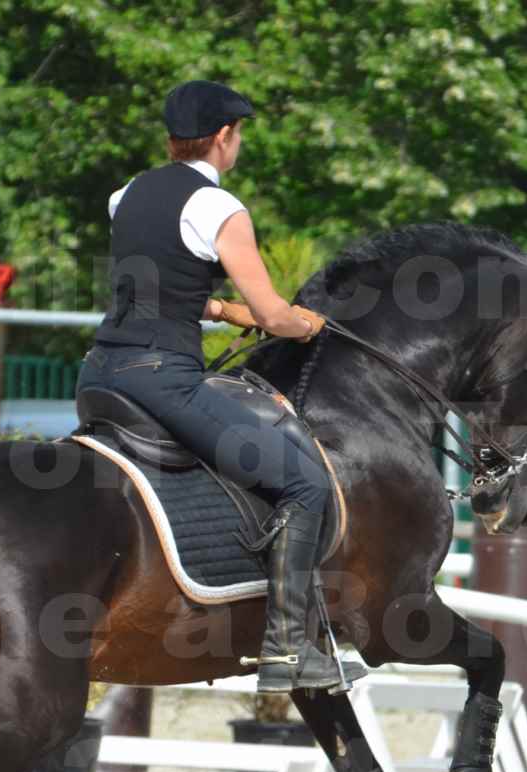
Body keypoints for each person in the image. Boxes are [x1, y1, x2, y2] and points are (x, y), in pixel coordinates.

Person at [76, 80, 366, 693]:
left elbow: (161, 288)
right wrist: (304, 323)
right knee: (304, 483)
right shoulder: (219, 208)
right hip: (164, 381)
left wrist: (220, 310)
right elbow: (273, 314)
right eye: (239, 137)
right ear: (224, 137)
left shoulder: (122, 197)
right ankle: (289, 650)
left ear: (171, 140)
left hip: (100, 372)